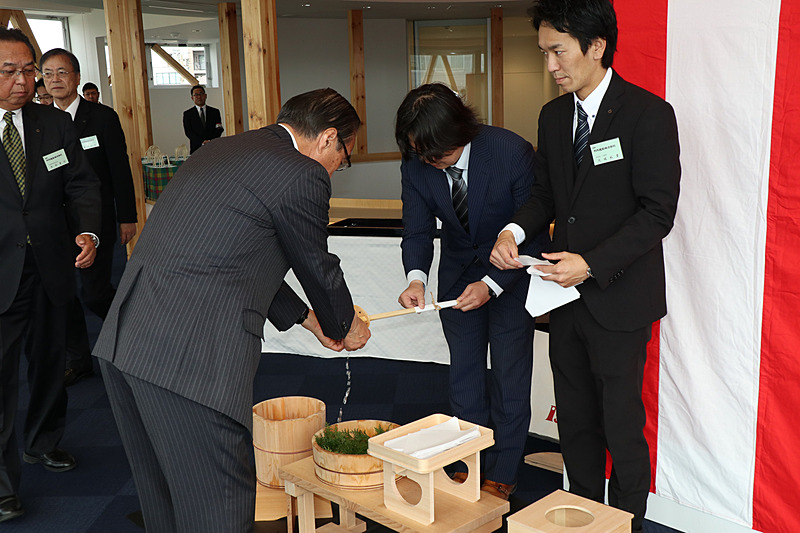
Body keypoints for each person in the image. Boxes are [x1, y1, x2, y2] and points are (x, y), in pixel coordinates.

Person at [93, 88, 371, 532]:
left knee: (166, 502)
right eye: (344, 156)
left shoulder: (224, 149)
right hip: (190, 359)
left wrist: (308, 318)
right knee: (218, 505)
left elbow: (233, 255)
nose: (338, 167)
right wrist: (345, 324)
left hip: (128, 341)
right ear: (328, 138)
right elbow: (317, 265)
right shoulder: (302, 173)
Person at [489, 1, 681, 530]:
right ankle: (585, 517)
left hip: (619, 299)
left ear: (596, 47)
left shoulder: (648, 114)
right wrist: (513, 230)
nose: (550, 65)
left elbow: (657, 213)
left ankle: (625, 523)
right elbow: (545, 196)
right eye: (544, 52)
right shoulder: (553, 117)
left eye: (558, 51)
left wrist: (591, 265)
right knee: (574, 422)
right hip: (563, 298)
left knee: (620, 425)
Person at [395, 83, 550, 500]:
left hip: (511, 280)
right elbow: (418, 228)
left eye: (437, 155)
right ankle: (470, 461)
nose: (428, 163)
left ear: (461, 130)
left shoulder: (510, 151)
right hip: (457, 278)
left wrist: (493, 284)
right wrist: (416, 278)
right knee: (463, 379)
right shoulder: (416, 162)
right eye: (420, 154)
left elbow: (532, 230)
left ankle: (503, 470)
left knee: (509, 378)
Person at [0, 28, 101, 523]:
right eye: (9, 70)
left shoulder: (52, 125)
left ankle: (42, 441)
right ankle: (1, 484)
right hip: (0, 273)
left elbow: (80, 182)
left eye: (28, 70)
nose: (23, 81)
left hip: (50, 268)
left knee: (47, 366)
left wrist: (87, 231)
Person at [40, 48, 138, 386]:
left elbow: (120, 171)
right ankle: (78, 359)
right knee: (63, 294)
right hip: (54, 224)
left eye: (62, 73)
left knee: (95, 292)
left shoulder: (102, 117)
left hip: (96, 220)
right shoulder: (40, 123)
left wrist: (127, 216)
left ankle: (131, 339)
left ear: (76, 78)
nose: (55, 80)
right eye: (48, 74)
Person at [182, 84, 223, 153]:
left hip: (213, 147)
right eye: (196, 95)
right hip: (196, 148)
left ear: (205, 96)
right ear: (192, 98)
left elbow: (219, 128)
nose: (199, 97)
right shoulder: (188, 114)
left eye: (201, 94)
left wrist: (210, 141)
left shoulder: (215, 112)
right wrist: (202, 142)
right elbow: (188, 132)